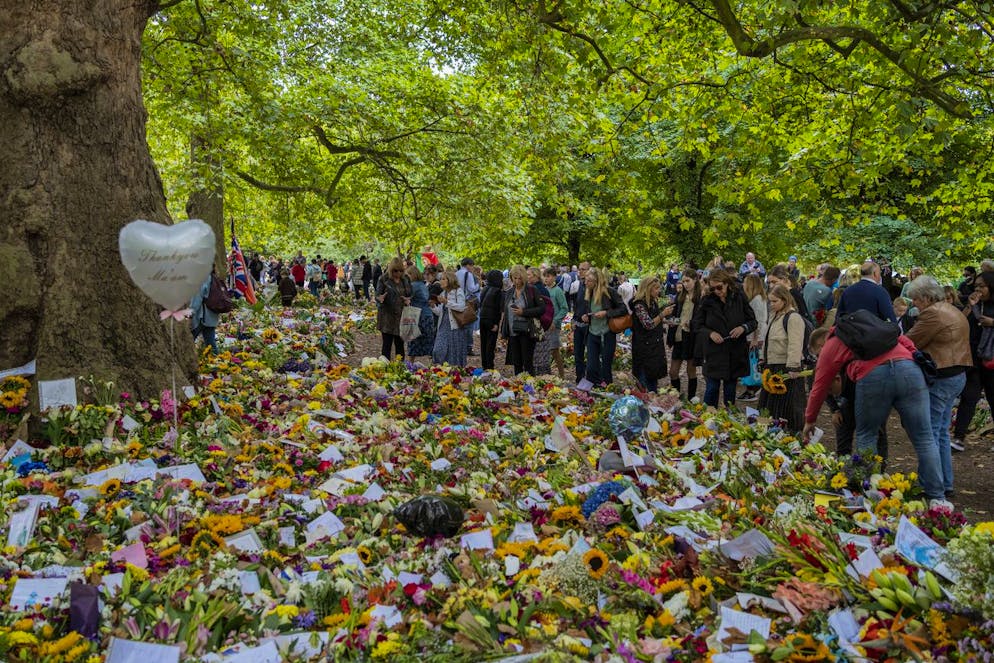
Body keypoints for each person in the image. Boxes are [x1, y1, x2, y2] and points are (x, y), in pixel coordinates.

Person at [804, 322, 949, 508]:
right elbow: (906, 342)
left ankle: (870, 492)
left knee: (867, 434)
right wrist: (911, 358)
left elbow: (819, 385)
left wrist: (810, 419)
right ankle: (938, 498)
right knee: (925, 438)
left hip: (873, 374)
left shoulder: (833, 342)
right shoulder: (876, 329)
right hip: (909, 369)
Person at [905, 276, 972, 496]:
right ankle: (945, 482)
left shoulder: (933, 314)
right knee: (941, 432)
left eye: (915, 299)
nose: (914, 303)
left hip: (942, 377)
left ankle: (930, 485)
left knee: (929, 434)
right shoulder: (950, 309)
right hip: (957, 375)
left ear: (926, 297)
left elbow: (909, 342)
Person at [692, 269, 757, 407]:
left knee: (730, 389)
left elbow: (753, 321)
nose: (716, 291)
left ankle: (728, 415)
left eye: (719, 287)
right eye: (713, 288)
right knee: (712, 388)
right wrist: (710, 333)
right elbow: (696, 324)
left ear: (727, 283)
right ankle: (708, 416)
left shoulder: (739, 296)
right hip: (713, 352)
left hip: (734, 351)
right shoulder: (707, 300)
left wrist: (743, 328)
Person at [951, 270, 994, 451]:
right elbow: (961, 322)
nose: (978, 290)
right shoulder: (975, 304)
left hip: (991, 359)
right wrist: (970, 306)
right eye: (976, 286)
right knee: (969, 396)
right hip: (974, 358)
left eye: (982, 286)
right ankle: (959, 438)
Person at [759, 285, 807, 431]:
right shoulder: (774, 316)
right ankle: (766, 432)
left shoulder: (793, 318)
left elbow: (795, 343)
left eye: (775, 301)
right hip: (772, 367)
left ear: (784, 300)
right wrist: (763, 358)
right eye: (770, 301)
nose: (771, 304)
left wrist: (793, 366)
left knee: (787, 407)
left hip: (786, 369)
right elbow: (768, 340)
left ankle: (789, 434)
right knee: (768, 406)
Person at [580, 267, 628, 385]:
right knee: (591, 367)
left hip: (607, 334)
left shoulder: (609, 292)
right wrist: (586, 317)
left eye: (589, 281)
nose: (586, 283)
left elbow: (623, 309)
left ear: (597, 281)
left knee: (605, 367)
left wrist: (606, 313)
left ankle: (607, 390)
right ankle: (592, 390)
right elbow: (590, 311)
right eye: (585, 280)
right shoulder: (589, 292)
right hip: (592, 333)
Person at [630, 277, 674, 392]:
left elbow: (654, 319)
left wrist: (667, 321)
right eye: (656, 288)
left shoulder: (653, 302)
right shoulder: (639, 304)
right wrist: (662, 314)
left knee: (653, 377)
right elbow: (648, 324)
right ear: (648, 288)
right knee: (645, 381)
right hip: (644, 348)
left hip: (653, 346)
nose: (659, 291)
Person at [499, 265, 544, 375]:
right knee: (516, 362)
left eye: (519, 278)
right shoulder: (509, 292)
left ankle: (530, 384)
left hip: (527, 331)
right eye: (514, 278)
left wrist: (523, 312)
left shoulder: (531, 290)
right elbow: (506, 314)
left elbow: (542, 308)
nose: (517, 281)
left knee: (527, 362)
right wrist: (503, 334)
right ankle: (518, 384)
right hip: (512, 332)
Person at [669, 269, 702, 400]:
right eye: (683, 281)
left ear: (695, 279)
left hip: (692, 337)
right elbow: (676, 315)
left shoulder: (701, 297)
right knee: (673, 372)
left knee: (691, 370)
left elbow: (702, 318)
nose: (685, 284)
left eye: (688, 281)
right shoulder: (680, 296)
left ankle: (691, 399)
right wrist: (672, 321)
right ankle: (676, 398)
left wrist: (692, 324)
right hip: (679, 335)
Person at [375, 257, 412, 360]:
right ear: (391, 269)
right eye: (395, 271)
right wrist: (380, 298)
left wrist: (408, 299)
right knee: (387, 344)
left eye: (400, 270)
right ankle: (385, 365)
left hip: (401, 315)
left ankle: (400, 366)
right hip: (387, 316)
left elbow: (410, 293)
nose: (398, 273)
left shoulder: (406, 279)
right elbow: (377, 295)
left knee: (400, 344)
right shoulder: (383, 279)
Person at [738, 274, 767, 402]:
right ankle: (750, 388)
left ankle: (752, 389)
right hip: (754, 335)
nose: (743, 284)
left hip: (755, 336)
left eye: (745, 282)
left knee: (752, 363)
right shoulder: (757, 298)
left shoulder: (757, 300)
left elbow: (757, 321)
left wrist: (755, 338)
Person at [432, 269, 469, 366]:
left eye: (443, 279)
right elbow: (440, 312)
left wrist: (447, 302)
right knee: (437, 350)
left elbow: (461, 307)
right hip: (443, 325)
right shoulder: (443, 293)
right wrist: (433, 306)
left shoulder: (458, 291)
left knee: (453, 352)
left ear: (450, 280)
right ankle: (440, 368)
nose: (441, 281)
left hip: (455, 326)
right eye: (440, 279)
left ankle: (452, 371)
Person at [404, 265, 437, 361]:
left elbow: (406, 296)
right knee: (428, 341)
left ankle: (410, 364)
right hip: (427, 315)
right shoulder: (422, 285)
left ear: (412, 275)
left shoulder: (413, 286)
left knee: (413, 341)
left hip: (418, 316)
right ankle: (433, 365)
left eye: (407, 275)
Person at [543, 267, 569, 379]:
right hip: (545, 325)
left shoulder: (557, 291)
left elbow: (564, 308)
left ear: (554, 277)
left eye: (548, 276)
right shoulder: (544, 290)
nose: (546, 279)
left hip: (554, 325)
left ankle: (562, 375)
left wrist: (555, 320)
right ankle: (547, 374)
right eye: (545, 276)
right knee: (546, 350)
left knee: (554, 350)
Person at [478, 269, 505, 370]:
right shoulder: (497, 291)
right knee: (490, 345)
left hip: (483, 318)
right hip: (491, 320)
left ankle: (485, 365)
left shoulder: (485, 288)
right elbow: (497, 308)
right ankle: (489, 367)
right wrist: (494, 323)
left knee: (484, 344)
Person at [190, 270, 220, 354]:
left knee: (188, 341)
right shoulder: (213, 277)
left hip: (201, 317)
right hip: (212, 317)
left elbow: (196, 300)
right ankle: (217, 360)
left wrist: (190, 314)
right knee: (211, 345)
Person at [572, 262, 592, 380]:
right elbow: (577, 305)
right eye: (579, 269)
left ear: (590, 270)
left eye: (583, 269)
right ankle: (580, 378)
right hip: (578, 324)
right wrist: (574, 319)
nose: (580, 271)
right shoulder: (579, 284)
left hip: (590, 325)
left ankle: (591, 378)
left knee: (591, 354)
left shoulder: (593, 287)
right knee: (578, 353)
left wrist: (590, 316)